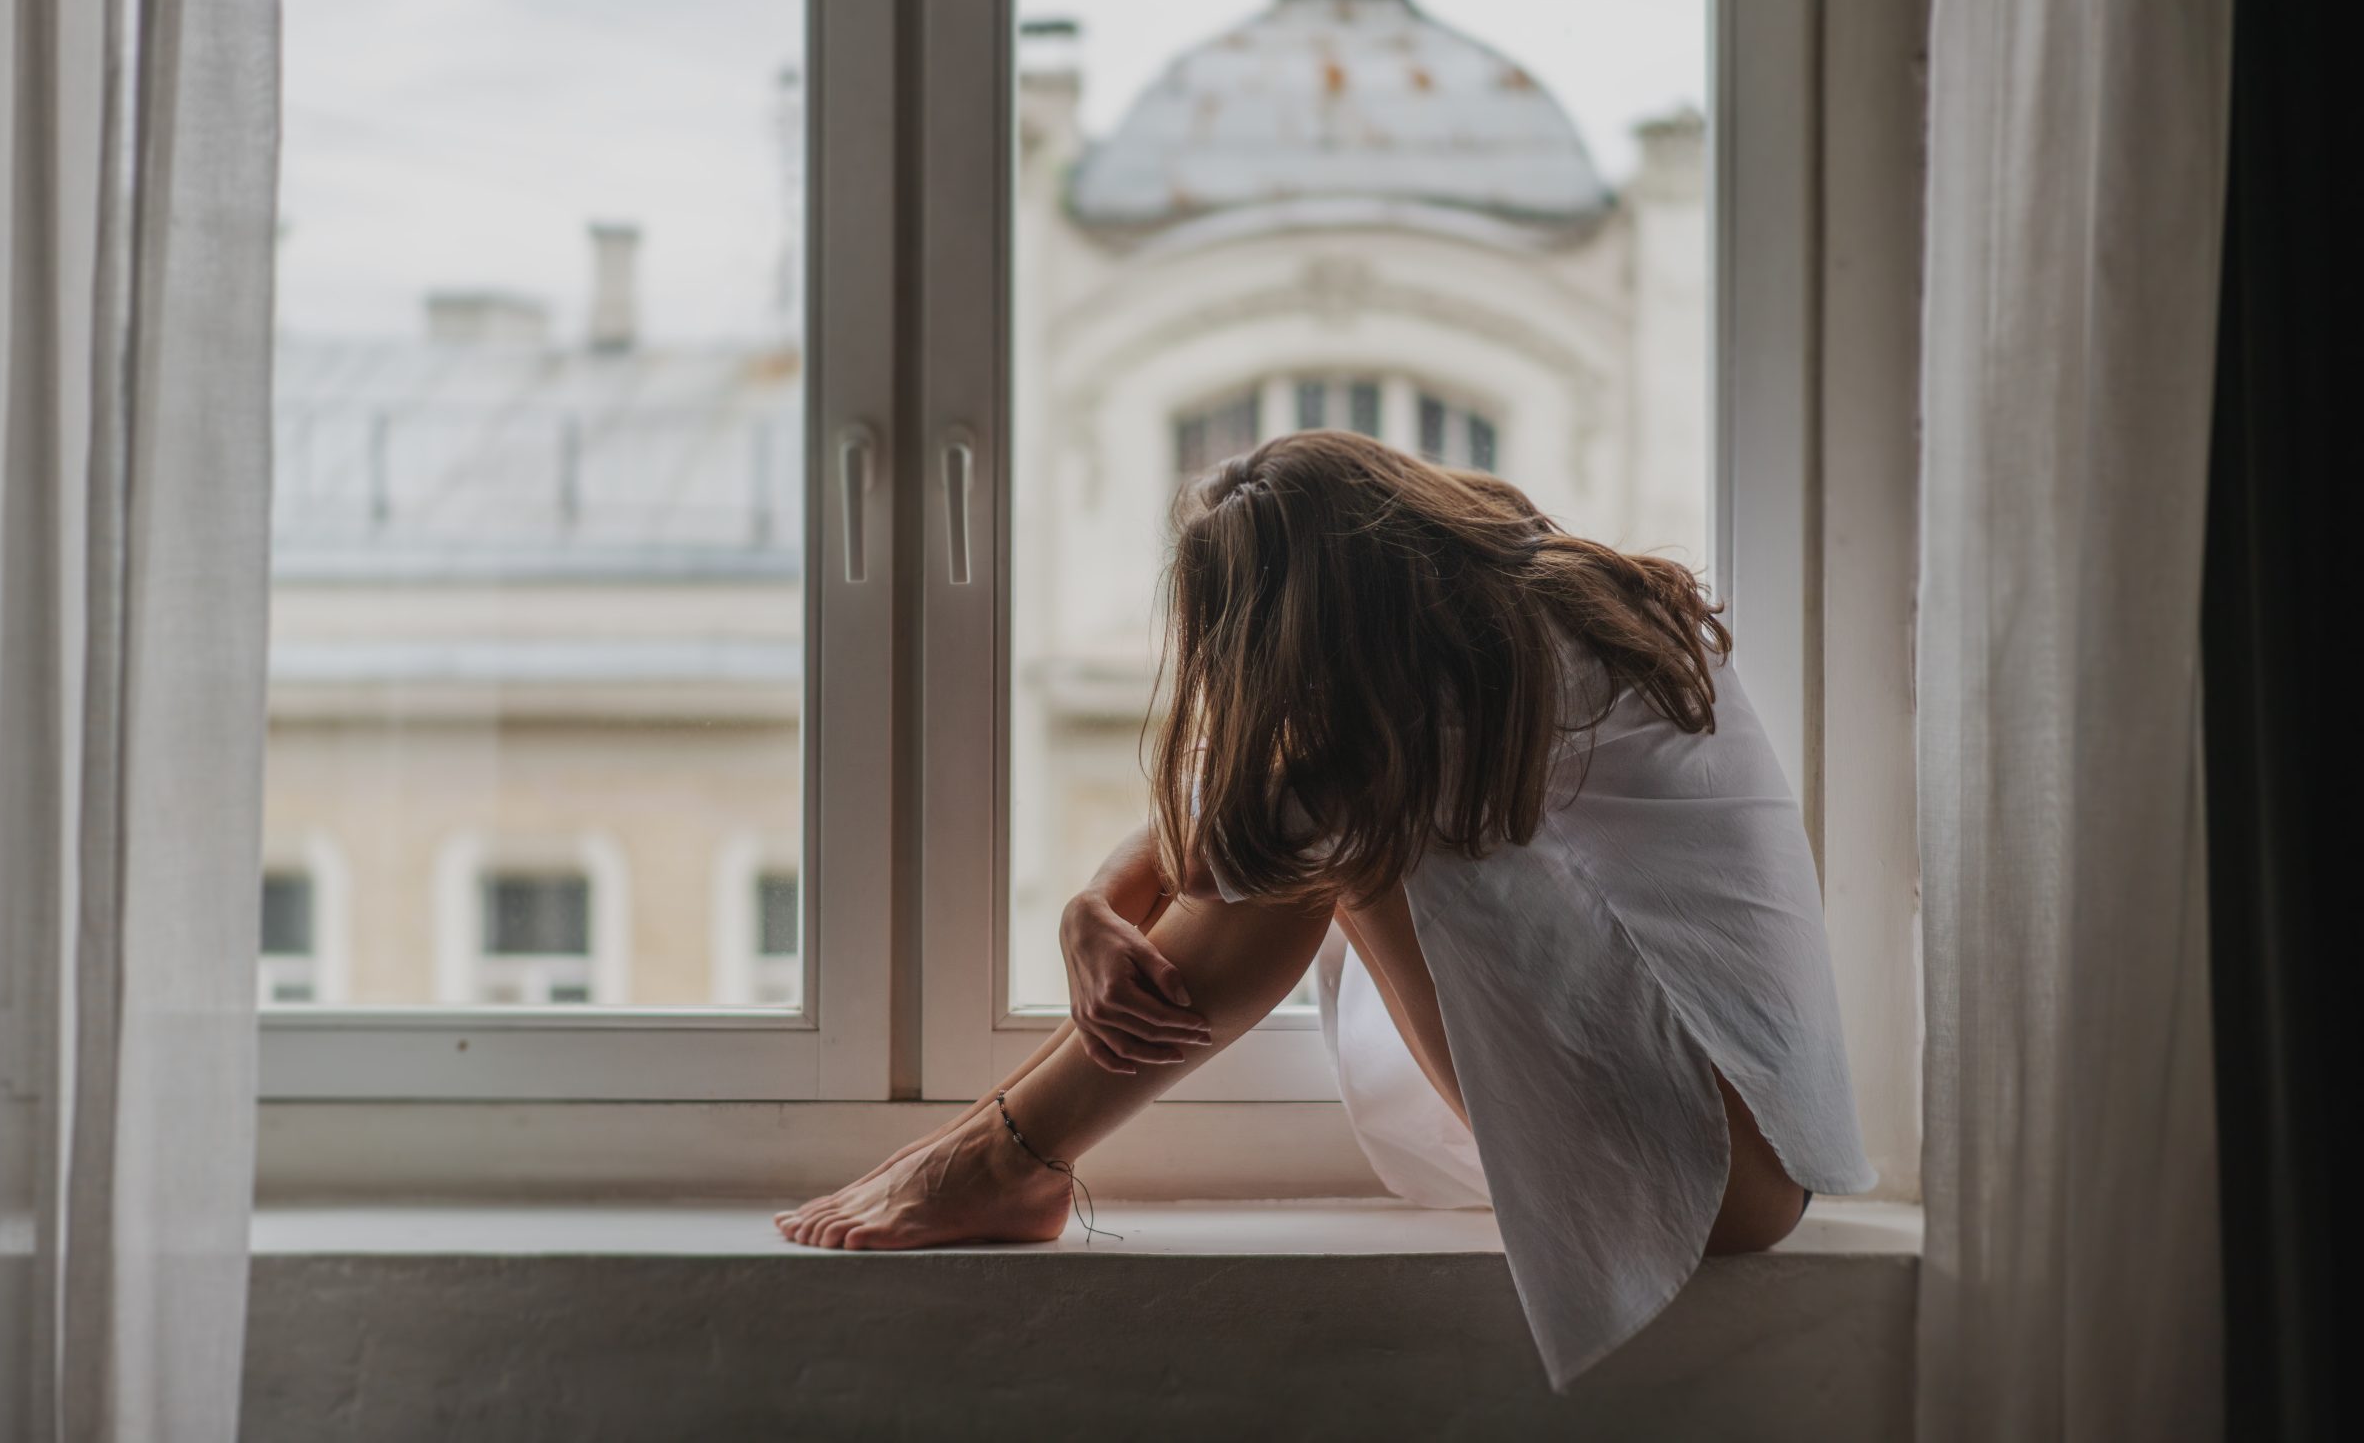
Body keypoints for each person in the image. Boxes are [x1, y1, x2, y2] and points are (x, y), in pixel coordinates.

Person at [777, 429, 1875, 1387]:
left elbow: (1252, 829)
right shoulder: (1517, 617)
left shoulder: (1537, 652)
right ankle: (990, 1144)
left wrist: (1111, 903)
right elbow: (1231, 813)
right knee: (1328, 818)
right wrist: (1090, 905)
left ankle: (1004, 1160)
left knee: (1339, 832)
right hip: (1696, 1136)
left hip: (1716, 1168)